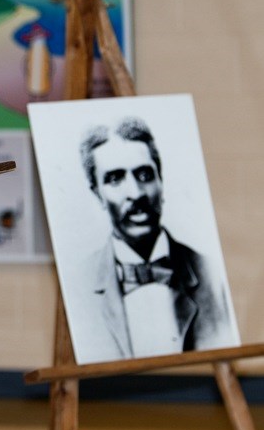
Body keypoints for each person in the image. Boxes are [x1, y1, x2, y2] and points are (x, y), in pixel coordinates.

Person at [65, 116, 238, 364]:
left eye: (145, 175)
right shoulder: (76, 288)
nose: (135, 193)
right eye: (115, 179)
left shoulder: (213, 275)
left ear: (161, 180)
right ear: (97, 193)